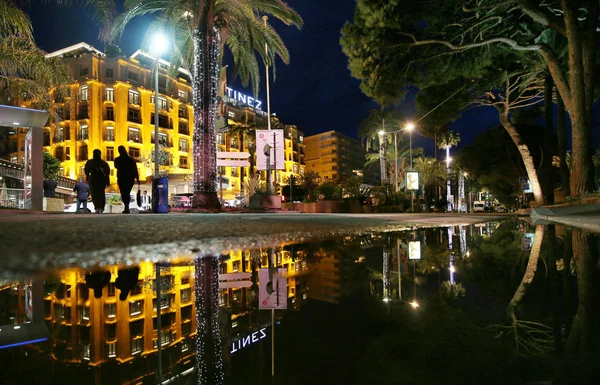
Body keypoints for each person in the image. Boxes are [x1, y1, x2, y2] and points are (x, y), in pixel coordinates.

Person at [114, 145, 139, 214]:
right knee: (126, 192)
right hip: (129, 178)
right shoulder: (131, 159)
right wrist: (137, 177)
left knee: (124, 192)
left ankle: (126, 206)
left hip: (122, 177)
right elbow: (135, 169)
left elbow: (116, 166)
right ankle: (126, 206)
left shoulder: (117, 159)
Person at [84, 149, 110, 214]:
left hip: (99, 180)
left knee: (99, 194)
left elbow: (107, 173)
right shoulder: (91, 162)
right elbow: (86, 171)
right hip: (94, 180)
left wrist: (107, 181)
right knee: (95, 194)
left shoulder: (103, 163)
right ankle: (98, 207)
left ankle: (100, 207)